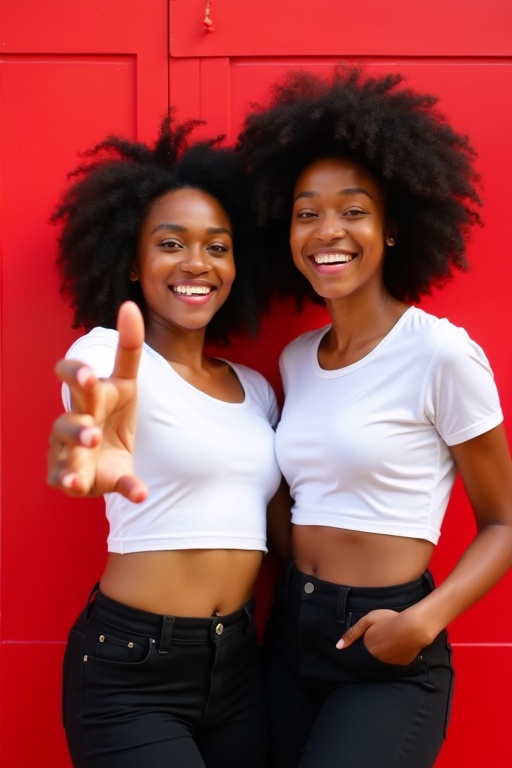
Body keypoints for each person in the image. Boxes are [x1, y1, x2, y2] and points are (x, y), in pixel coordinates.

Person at [237, 66, 512, 768]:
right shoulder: (298, 359)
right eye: (307, 212)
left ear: (392, 229)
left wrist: (422, 623)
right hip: (288, 633)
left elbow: (505, 523)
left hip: (388, 640)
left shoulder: (442, 354)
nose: (328, 230)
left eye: (354, 210)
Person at [46, 115, 282, 768]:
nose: (197, 264)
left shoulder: (256, 389)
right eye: (171, 243)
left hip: (239, 664)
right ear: (131, 260)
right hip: (132, 668)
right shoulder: (110, 357)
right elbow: (93, 414)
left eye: (217, 245)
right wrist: (90, 449)